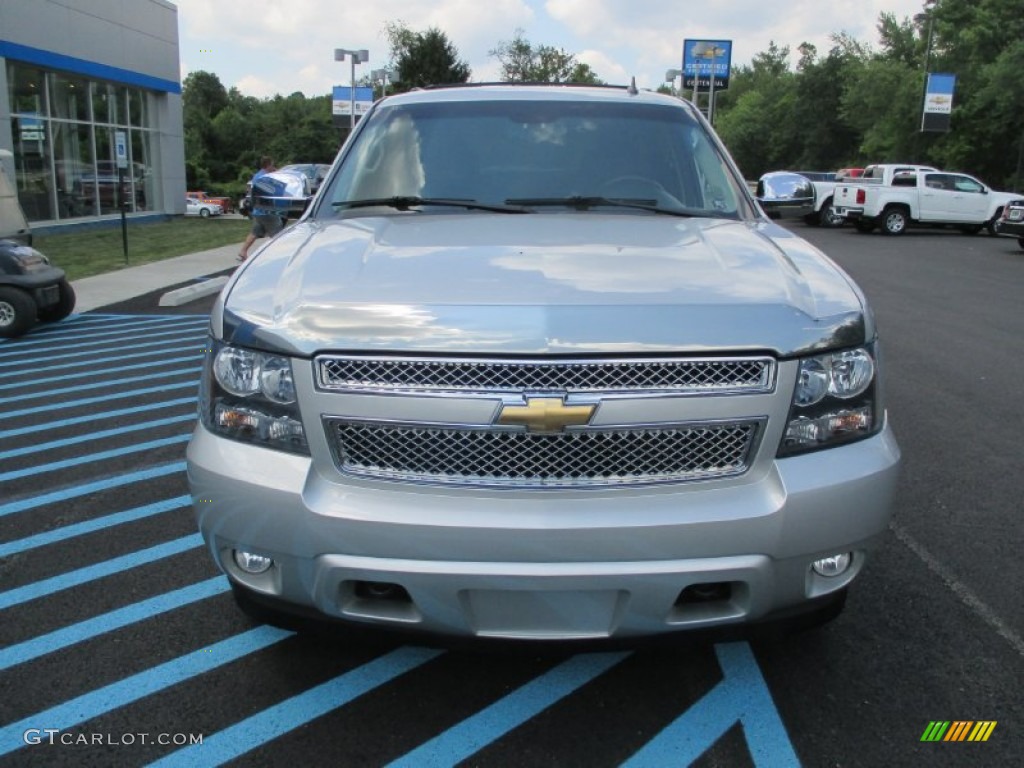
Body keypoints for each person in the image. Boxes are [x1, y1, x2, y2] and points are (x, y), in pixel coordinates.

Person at [237, 156, 284, 262]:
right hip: (267, 211)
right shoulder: (265, 178)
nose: (274, 166)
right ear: (268, 165)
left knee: (255, 232)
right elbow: (273, 191)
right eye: (272, 165)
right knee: (278, 234)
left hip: (258, 211)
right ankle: (278, 256)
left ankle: (242, 252)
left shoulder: (257, 176)